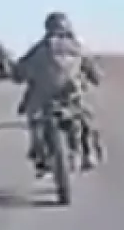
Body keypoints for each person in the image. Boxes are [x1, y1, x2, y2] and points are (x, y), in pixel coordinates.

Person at [13, 12, 101, 174]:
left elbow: (20, 70)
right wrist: (94, 78)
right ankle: (88, 153)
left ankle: (39, 153)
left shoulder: (40, 48)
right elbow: (95, 72)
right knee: (86, 119)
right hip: (71, 96)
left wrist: (19, 75)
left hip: (43, 98)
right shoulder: (77, 47)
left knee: (34, 120)